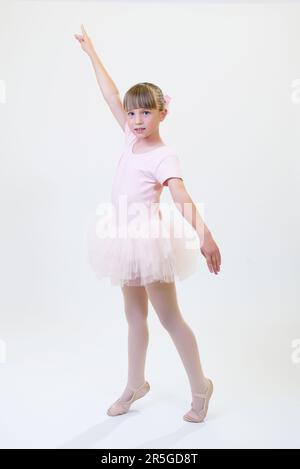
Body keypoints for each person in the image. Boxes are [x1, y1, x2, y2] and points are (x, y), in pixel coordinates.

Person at [74, 25, 221, 423]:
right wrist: (92, 53)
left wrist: (205, 238)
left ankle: (199, 388)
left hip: (148, 239)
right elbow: (109, 92)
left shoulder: (164, 156)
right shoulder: (128, 136)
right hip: (121, 236)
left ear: (162, 114)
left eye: (146, 112)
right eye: (132, 111)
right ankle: (135, 383)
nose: (137, 119)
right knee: (134, 315)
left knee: (169, 317)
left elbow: (181, 197)